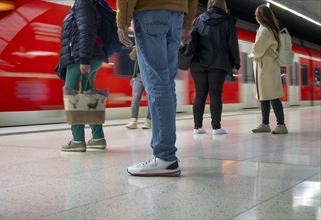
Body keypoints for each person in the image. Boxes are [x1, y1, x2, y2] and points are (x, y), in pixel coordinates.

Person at [116, 0, 198, 176]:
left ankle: (164, 157)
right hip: (177, 15)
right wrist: (187, 24)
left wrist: (122, 22)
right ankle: (167, 154)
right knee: (166, 82)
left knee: (157, 82)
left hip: (149, 12)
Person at [59, 0, 108, 152]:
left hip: (81, 57)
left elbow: (87, 30)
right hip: (90, 56)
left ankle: (78, 140)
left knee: (73, 95)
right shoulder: (88, 3)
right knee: (88, 96)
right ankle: (98, 138)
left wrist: (84, 59)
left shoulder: (83, 2)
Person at [188, 0, 240, 135]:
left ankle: (197, 127)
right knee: (215, 95)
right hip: (218, 63)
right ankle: (216, 128)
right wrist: (236, 62)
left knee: (200, 94)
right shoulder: (228, 20)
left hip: (198, 63)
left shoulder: (198, 20)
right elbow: (232, 43)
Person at [249, 5, 288, 134]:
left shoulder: (265, 30)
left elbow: (258, 49)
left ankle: (281, 125)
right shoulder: (269, 29)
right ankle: (265, 123)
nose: (255, 17)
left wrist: (252, 55)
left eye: (256, 15)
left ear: (261, 16)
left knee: (272, 96)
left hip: (266, 67)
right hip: (266, 67)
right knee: (265, 96)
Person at [125, 47, 151, 129]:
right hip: (138, 76)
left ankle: (148, 121)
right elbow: (132, 57)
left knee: (151, 99)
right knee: (135, 99)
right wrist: (135, 50)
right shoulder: (139, 45)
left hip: (150, 76)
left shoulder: (153, 44)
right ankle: (133, 121)